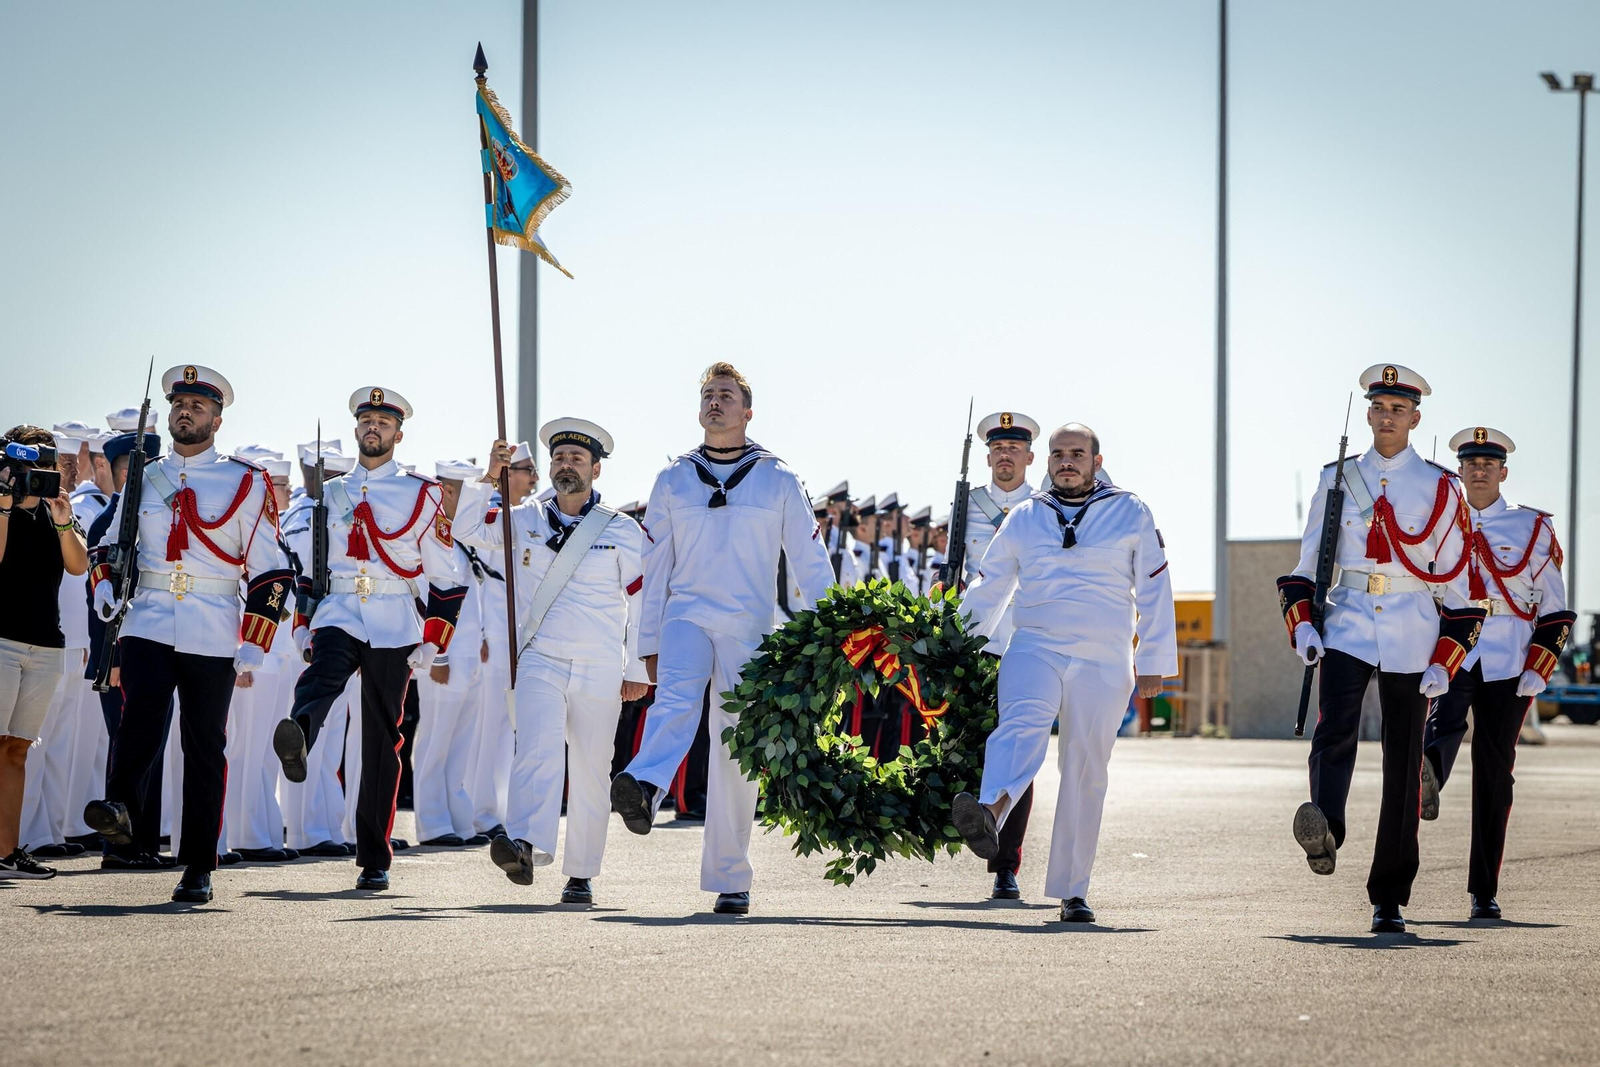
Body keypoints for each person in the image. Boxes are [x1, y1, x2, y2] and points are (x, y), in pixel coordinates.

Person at [610, 362, 833, 915]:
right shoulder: (673, 478)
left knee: (737, 751)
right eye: (708, 394)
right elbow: (653, 567)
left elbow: (810, 558)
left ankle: (731, 878)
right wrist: (647, 641)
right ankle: (643, 785)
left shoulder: (778, 477)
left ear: (747, 411)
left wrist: (834, 626)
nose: (715, 402)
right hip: (687, 614)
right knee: (676, 702)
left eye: (726, 395)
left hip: (750, 628)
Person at [1275, 364, 1484, 934]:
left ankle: (1389, 895)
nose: (1387, 417)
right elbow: (1306, 565)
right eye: (1379, 407)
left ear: (1415, 419)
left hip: (1412, 631)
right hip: (1346, 623)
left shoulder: (1442, 487)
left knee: (1402, 762)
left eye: (1398, 409)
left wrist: (1446, 660)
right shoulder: (1337, 478)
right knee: (1333, 728)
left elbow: (1461, 590)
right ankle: (1327, 826)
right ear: (1367, 414)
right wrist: (1304, 626)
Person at [951, 423, 1176, 922]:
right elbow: (989, 585)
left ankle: (1073, 891)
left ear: (1098, 460)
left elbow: (1156, 586)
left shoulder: (1129, 510)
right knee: (1020, 722)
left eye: (1077, 453)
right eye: (1058, 454)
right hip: (1034, 645)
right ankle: (989, 811)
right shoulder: (1026, 517)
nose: (1066, 461)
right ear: (1047, 461)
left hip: (1104, 654)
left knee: (1085, 768)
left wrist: (1155, 661)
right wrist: (953, 645)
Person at [82, 367, 292, 903]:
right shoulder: (145, 477)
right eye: (179, 403)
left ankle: (198, 863)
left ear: (217, 420)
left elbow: (271, 570)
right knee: (139, 719)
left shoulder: (244, 481)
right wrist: (105, 585)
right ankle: (121, 810)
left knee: (204, 745)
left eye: (198, 406)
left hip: (213, 625)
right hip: (148, 617)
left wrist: (254, 639)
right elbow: (106, 547)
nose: (185, 412)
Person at [273, 387, 466, 891]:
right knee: (323, 674)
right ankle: (300, 735)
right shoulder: (330, 494)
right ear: (357, 429)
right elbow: (312, 568)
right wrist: (301, 622)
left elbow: (447, 577)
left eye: (383, 421)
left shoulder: (421, 494)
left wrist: (433, 640)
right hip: (339, 608)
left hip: (393, 616)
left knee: (382, 738)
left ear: (398, 435)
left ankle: (373, 858)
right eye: (366, 420)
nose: (373, 428)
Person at [455, 420, 648, 904]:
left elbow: (643, 603)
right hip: (541, 655)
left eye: (577, 459)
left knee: (589, 768)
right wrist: (488, 476)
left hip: (600, 662)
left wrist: (637, 669)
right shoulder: (524, 518)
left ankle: (580, 873)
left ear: (596, 468)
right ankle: (523, 844)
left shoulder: (623, 531)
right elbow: (468, 532)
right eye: (559, 458)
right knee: (534, 750)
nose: (567, 465)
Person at [1419, 426, 1574, 919]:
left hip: (1510, 657)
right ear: (1459, 471)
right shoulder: (1437, 523)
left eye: (1489, 464)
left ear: (1503, 472)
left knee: (1495, 773)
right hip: (1454, 650)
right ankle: (1427, 777)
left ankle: (1483, 890)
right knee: (1442, 725)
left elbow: (1555, 606)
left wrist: (1541, 666)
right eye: (1471, 463)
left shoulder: (1532, 528)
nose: (1479, 470)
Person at [959, 411, 1043, 901]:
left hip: (1029, 643)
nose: (1005, 456)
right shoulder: (968, 506)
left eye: (1014, 449)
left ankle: (1005, 866)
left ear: (1030, 457)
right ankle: (975, 829)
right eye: (998, 449)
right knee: (971, 748)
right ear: (988, 456)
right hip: (979, 643)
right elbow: (950, 565)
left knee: (1020, 753)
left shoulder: (1044, 506)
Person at [0, 426, 89, 879]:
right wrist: (3, 501)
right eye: (29, 464)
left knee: (17, 750)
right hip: (2, 641)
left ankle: (7, 851)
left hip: (46, 644)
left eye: (46, 465)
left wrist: (61, 518)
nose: (39, 473)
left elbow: (78, 566)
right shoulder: (2, 504)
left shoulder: (59, 513)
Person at [277, 441, 358, 858]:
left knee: (331, 742)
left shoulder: (329, 515)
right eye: (324, 476)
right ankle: (307, 829)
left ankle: (326, 823)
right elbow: (307, 579)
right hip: (312, 633)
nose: (328, 484)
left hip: (336, 631)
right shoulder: (306, 518)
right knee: (310, 735)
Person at [223, 450, 300, 862]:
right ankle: (244, 833)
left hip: (278, 652)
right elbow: (237, 593)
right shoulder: (246, 529)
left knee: (266, 749)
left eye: (283, 485)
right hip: (254, 656)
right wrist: (241, 649)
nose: (283, 492)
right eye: (279, 485)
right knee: (243, 748)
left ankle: (261, 832)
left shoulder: (276, 532)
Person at [410, 459, 489, 848]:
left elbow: (474, 597)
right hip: (443, 657)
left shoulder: (459, 538)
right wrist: (438, 656)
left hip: (468, 656)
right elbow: (426, 600)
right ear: (452, 492)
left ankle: (459, 819)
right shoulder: (430, 535)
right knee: (435, 739)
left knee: (459, 741)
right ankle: (432, 822)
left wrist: (483, 639)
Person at [464, 439, 538, 841]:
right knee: (490, 725)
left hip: (520, 634)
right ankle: (482, 811)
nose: (534, 479)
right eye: (527, 471)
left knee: (513, 727)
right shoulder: (494, 517)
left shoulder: (528, 517)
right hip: (494, 632)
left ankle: (503, 809)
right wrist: (478, 633)